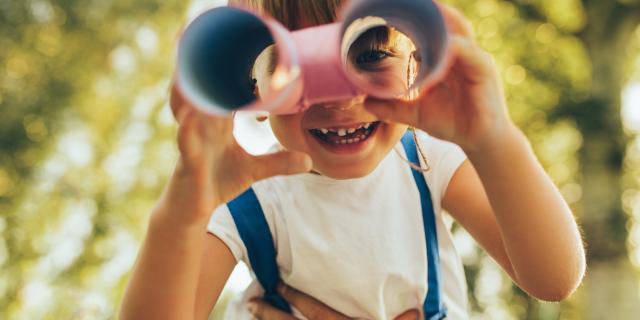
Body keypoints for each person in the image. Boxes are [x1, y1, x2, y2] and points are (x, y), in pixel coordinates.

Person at [118, 1, 586, 319]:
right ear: (248, 90)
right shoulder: (245, 201)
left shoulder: (427, 160)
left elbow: (553, 277)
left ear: (418, 60)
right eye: (285, 65)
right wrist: (181, 214)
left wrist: (494, 140)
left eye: (371, 52)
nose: (338, 97)